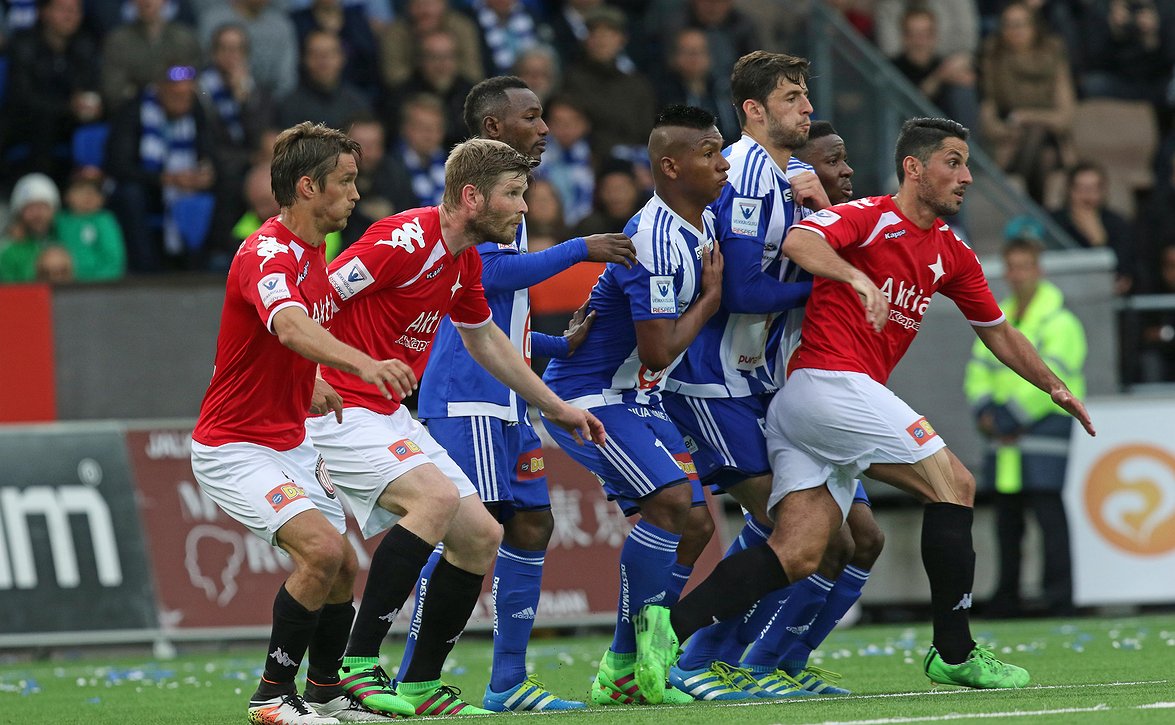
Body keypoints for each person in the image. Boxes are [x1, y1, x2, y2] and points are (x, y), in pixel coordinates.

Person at [633, 117, 1096, 700]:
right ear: (914, 167)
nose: (966, 177)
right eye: (953, 162)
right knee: (954, 484)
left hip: (814, 408)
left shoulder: (952, 252)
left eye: (966, 164)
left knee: (799, 550)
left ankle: (665, 629)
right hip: (827, 382)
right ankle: (954, 652)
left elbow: (998, 331)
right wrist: (856, 276)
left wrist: (1052, 387)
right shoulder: (871, 216)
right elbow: (801, 241)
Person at [304, 138, 605, 717]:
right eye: (513, 195)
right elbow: (312, 299)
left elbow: (487, 340)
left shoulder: (463, 260)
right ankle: (356, 666)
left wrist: (557, 408)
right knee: (437, 501)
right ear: (471, 196)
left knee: (479, 536)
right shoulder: (402, 239)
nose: (523, 209)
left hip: (386, 409)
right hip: (337, 405)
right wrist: (304, 376)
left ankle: (418, 685)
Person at [394, 75, 637, 713]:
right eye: (531, 117)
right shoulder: (474, 202)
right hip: (467, 395)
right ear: (494, 128)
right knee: (468, 532)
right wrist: (581, 249)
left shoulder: (513, 197)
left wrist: (561, 347)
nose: (545, 126)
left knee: (532, 522)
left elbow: (503, 317)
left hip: (508, 398)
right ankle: (412, 678)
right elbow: (491, 276)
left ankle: (507, 682)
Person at [189, 121, 416, 725]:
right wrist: (364, 364)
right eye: (345, 181)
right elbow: (289, 326)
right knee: (319, 551)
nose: (355, 193)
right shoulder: (265, 251)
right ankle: (269, 697)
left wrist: (307, 383)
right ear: (308, 186)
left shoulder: (317, 253)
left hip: (289, 439)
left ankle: (323, 690)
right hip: (234, 446)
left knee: (342, 561)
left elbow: (279, 341)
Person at [660, 54, 870, 701]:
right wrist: (834, 278)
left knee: (849, 535)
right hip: (710, 381)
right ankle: (692, 658)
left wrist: (823, 217)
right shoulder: (745, 175)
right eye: (790, 97)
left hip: (765, 382)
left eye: (805, 95)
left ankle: (758, 662)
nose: (805, 107)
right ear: (753, 110)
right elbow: (745, 290)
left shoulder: (792, 176)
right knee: (802, 532)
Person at [541, 104, 729, 706]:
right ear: (670, 166)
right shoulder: (652, 239)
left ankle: (625, 662)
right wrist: (712, 297)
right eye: (708, 153)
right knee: (671, 501)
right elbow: (659, 345)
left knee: (697, 523)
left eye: (721, 149)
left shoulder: (698, 223)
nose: (722, 163)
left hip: (637, 393)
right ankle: (645, 653)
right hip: (586, 394)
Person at [965, 237, 1086, 618]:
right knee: (1008, 516)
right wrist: (985, 409)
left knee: (1048, 511)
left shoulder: (1060, 320)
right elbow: (977, 370)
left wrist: (1006, 416)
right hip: (1005, 430)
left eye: (1024, 266)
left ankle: (1059, 596)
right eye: (1012, 267)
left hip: (1043, 425)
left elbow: (1056, 375)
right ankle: (1008, 596)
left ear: (1039, 269)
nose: (1017, 275)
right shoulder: (999, 317)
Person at [1, 173, 64, 283]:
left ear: (53, 209)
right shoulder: (8, 250)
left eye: (42, 207)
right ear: (19, 214)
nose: (37, 214)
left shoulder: (65, 237)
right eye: (30, 208)